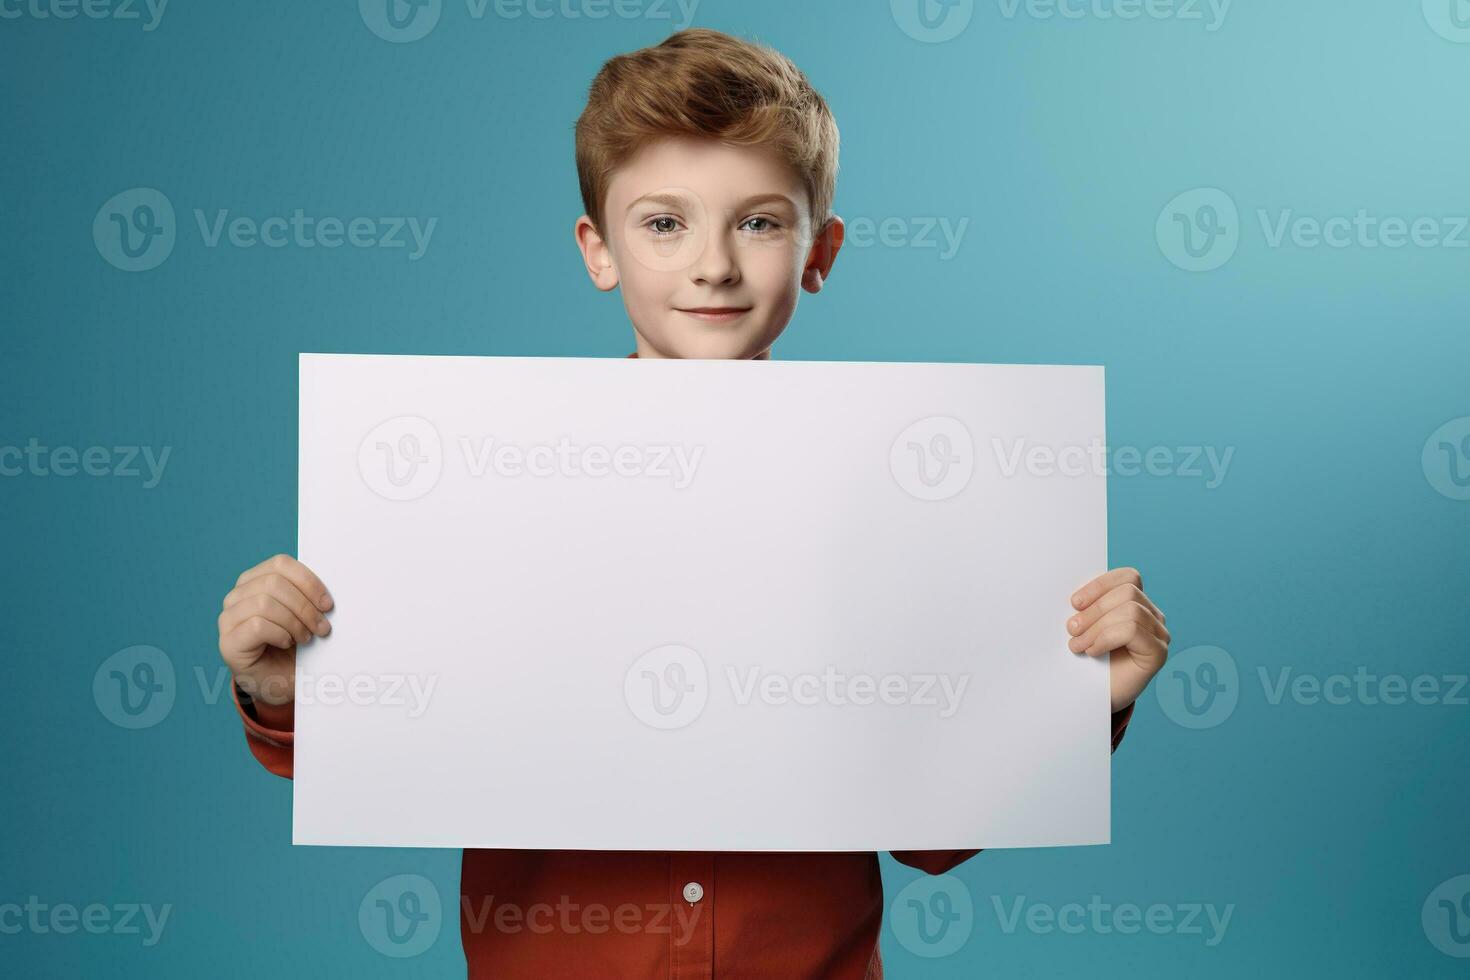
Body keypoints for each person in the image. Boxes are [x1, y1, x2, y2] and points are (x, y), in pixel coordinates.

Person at [217, 28, 1171, 978]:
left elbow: (932, 835)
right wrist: (284, 687)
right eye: (664, 223)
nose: (713, 265)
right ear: (599, 249)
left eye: (758, 222)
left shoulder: (901, 504)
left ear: (820, 250)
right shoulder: (489, 486)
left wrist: (1080, 702)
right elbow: (408, 753)